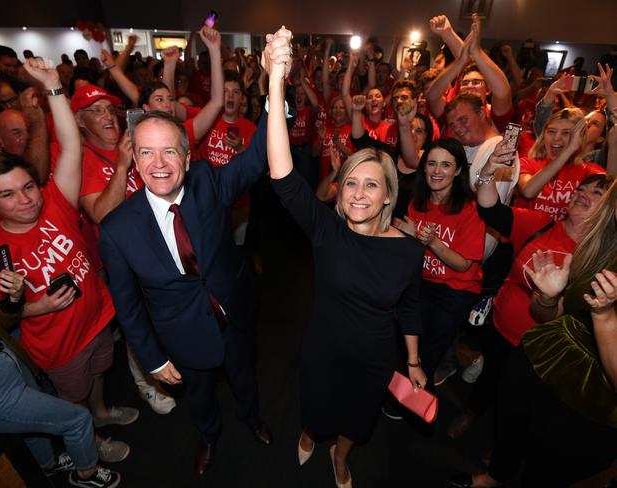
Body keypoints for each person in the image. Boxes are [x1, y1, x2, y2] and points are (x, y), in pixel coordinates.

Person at [98, 59, 277, 476]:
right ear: (134, 159)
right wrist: (153, 359)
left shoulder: (208, 182)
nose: (158, 163)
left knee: (245, 375)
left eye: (168, 151)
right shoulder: (117, 230)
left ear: (186, 155)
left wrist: (276, 86)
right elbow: (128, 307)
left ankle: (251, 418)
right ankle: (209, 436)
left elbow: (256, 158)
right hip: (181, 333)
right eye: (146, 152)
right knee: (199, 396)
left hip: (234, 312)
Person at [266, 26, 426, 488]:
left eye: (371, 184)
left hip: (373, 356)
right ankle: (311, 432)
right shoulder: (328, 230)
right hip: (322, 346)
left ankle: (340, 457)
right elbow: (283, 175)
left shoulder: (409, 251)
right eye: (351, 182)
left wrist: (413, 361)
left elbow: (411, 306)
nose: (358, 193)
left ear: (387, 197)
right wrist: (277, 82)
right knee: (316, 410)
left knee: (357, 421)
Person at [0, 58, 135, 463]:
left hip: (96, 316)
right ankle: (90, 439)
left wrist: (52, 86)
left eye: (28, 186)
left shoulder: (54, 204)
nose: (25, 199)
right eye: (8, 195)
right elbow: (4, 313)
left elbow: (72, 142)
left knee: (100, 374)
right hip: (60, 344)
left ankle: (101, 414)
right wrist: (36, 306)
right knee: (72, 396)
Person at [449, 179, 617, 487]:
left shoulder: (594, 255)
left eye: (596, 193)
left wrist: (601, 313)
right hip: (517, 341)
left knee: (537, 438)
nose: (582, 194)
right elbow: (490, 209)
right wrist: (549, 297)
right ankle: (490, 447)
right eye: (580, 189)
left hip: (568, 378)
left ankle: (503, 456)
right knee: (500, 395)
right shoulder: (552, 229)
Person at [0, 238, 121, 488]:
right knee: (77, 419)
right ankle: (87, 474)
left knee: (30, 427)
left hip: (5, 355)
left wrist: (15, 297)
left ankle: (48, 464)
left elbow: (1, 320)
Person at [397, 138, 486, 386]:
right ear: (423, 167)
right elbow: (414, 250)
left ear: (458, 171)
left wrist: (433, 242)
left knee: (429, 348)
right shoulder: (418, 202)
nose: (437, 171)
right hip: (424, 281)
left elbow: (463, 265)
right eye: (432, 163)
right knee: (409, 335)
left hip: (456, 289)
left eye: (446, 165)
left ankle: (411, 398)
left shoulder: (471, 209)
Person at [515, 107, 606, 221]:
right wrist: (569, 150)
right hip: (522, 236)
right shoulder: (527, 163)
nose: (556, 138)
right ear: (544, 136)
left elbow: (611, 193)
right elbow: (528, 191)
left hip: (561, 238)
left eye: (566, 133)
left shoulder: (588, 171)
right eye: (551, 131)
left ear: (579, 138)